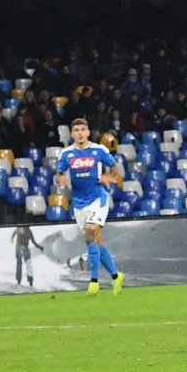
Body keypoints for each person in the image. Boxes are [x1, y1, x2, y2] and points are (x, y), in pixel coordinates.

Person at [55, 119, 125, 296]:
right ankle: (116, 276)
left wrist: (108, 177)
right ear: (72, 134)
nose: (80, 133)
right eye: (76, 130)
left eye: (83, 130)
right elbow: (59, 173)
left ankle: (94, 282)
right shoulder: (66, 153)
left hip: (97, 199)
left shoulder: (98, 150)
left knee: (90, 234)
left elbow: (115, 167)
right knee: (97, 241)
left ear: (88, 132)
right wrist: (60, 178)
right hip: (79, 203)